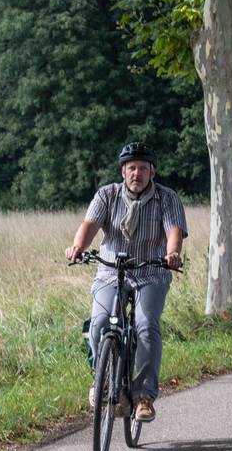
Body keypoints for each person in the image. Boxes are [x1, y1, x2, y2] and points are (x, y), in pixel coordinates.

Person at [65, 142, 186, 423]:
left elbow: (174, 231)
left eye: (143, 168)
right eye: (132, 168)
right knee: (98, 322)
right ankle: (103, 381)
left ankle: (143, 397)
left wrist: (173, 254)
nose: (137, 173)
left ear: (152, 171)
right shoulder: (107, 195)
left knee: (145, 325)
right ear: (123, 171)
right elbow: (89, 226)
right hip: (111, 272)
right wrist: (78, 247)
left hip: (150, 272)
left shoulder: (166, 198)